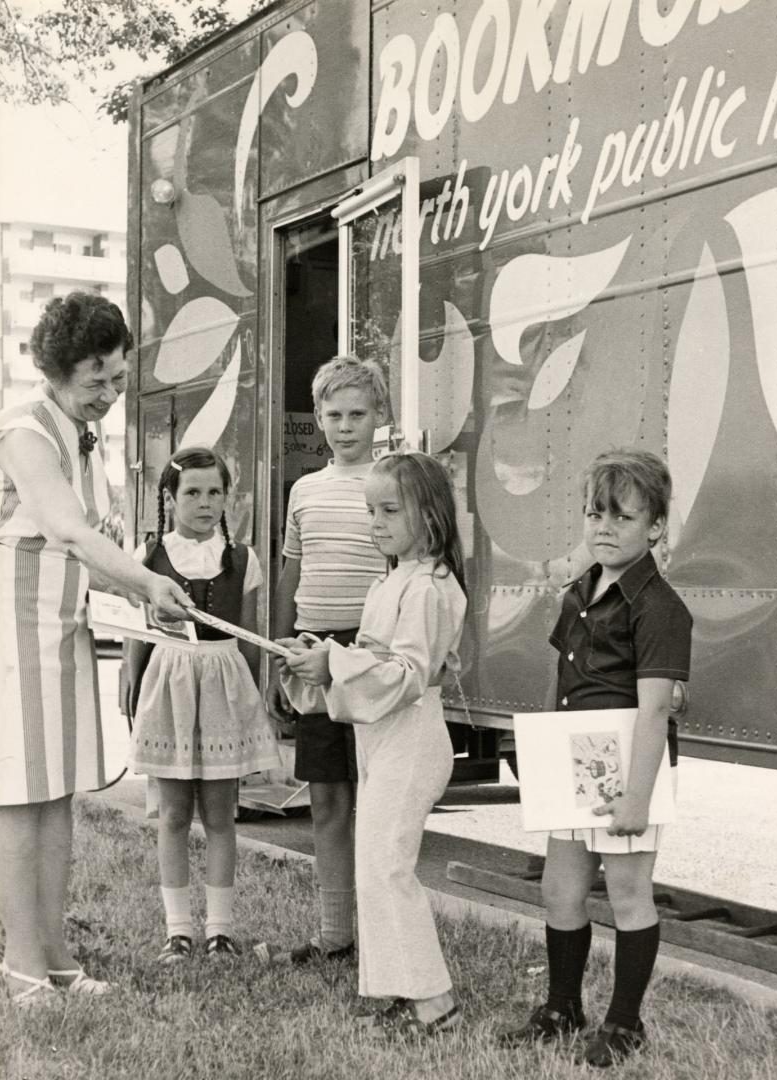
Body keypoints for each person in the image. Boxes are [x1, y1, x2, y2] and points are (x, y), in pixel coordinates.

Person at [0, 292, 191, 1008]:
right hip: (12, 637)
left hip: (62, 628)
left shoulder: (82, 432)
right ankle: (20, 967)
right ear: (54, 371)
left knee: (55, 798)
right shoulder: (24, 431)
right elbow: (71, 533)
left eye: (117, 379)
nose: (109, 395)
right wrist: (148, 582)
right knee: (19, 799)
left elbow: (97, 535)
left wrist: (133, 592)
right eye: (95, 382)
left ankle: (55, 958)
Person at [499, 449, 692, 1067]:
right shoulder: (577, 592)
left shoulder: (658, 606)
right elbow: (561, 679)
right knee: (561, 888)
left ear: (656, 527)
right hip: (572, 757)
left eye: (623, 518)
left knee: (630, 891)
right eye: (593, 514)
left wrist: (637, 795)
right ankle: (562, 1007)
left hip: (626, 762)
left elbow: (656, 710)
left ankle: (626, 1022)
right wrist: (539, 752)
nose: (603, 528)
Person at [282, 451, 467, 1036]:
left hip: (412, 743)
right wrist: (319, 664)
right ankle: (398, 992)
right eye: (371, 510)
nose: (376, 522)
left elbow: (409, 676)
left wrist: (334, 662)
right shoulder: (389, 582)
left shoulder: (432, 588)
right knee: (374, 868)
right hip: (381, 741)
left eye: (390, 510)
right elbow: (369, 663)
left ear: (432, 518)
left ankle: (434, 1003)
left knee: (388, 869)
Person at [126, 446, 281, 963]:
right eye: (192, 492)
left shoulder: (243, 559)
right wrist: (131, 677)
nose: (205, 502)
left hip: (223, 683)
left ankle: (219, 931)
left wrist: (257, 698)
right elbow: (137, 632)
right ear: (170, 498)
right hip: (170, 681)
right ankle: (178, 931)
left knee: (220, 814)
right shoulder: (150, 556)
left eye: (215, 492)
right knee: (173, 813)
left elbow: (253, 635)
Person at [265, 356, 387, 964]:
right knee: (327, 797)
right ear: (317, 419)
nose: (344, 427)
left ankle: (384, 932)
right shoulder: (304, 490)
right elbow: (293, 571)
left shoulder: (394, 486)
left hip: (370, 654)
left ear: (380, 416)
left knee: (378, 795)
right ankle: (335, 932)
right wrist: (278, 650)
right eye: (333, 415)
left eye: (357, 414)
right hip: (312, 653)